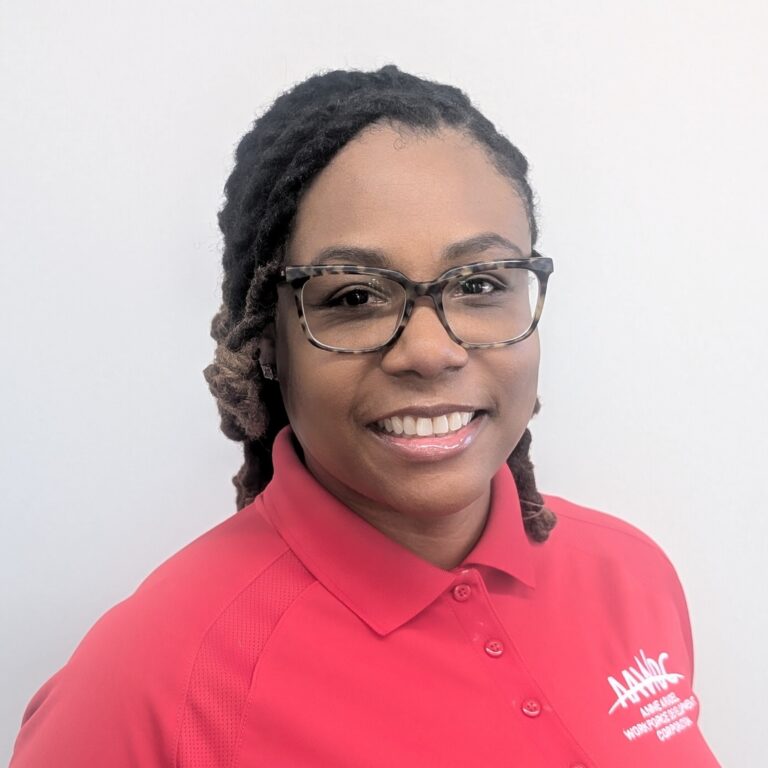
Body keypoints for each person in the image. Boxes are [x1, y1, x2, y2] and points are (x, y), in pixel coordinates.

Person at [9, 66, 721, 767]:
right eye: (353, 297)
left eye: (479, 283)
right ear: (266, 341)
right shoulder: (146, 687)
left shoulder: (630, 574)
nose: (430, 351)